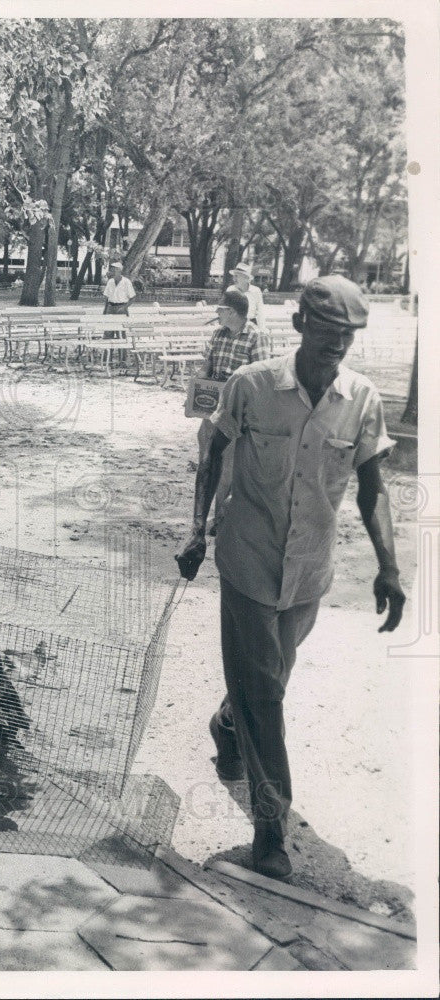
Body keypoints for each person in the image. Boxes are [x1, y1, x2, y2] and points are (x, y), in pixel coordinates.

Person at [176, 274, 405, 881]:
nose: (336, 347)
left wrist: (388, 565)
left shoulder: (362, 399)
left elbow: (373, 488)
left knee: (266, 679)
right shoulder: (251, 386)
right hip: (248, 563)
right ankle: (270, 828)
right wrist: (197, 531)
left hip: (308, 575)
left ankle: (228, 723)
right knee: (268, 695)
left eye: (347, 338)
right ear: (300, 325)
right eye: (327, 333)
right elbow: (213, 455)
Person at [197, 288, 268, 535]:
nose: (217, 313)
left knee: (227, 465)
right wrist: (199, 383)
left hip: (238, 405)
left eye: (221, 309)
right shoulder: (218, 334)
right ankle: (202, 517)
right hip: (212, 402)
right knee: (206, 459)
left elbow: (261, 377)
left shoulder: (256, 337)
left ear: (233, 312)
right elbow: (207, 365)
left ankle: (220, 518)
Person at [228, 262, 267, 344]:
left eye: (237, 276)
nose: (234, 279)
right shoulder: (230, 290)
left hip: (252, 326)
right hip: (235, 326)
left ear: (246, 278)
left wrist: (262, 331)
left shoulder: (256, 291)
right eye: (233, 276)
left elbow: (260, 312)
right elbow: (226, 312)